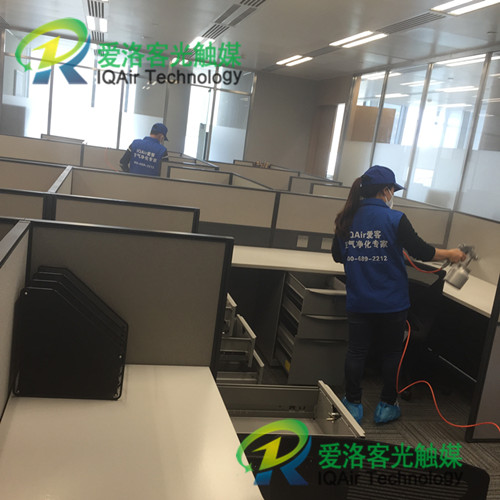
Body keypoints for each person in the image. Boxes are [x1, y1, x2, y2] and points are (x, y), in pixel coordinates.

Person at [331, 165, 466, 425]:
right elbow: (423, 252)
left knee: (356, 351)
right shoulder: (395, 219)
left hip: (359, 300)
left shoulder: (345, 218)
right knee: (392, 353)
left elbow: (338, 256)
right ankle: (386, 406)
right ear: (386, 190)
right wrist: (451, 254)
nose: (392, 194)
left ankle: (353, 404)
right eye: (392, 190)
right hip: (391, 303)